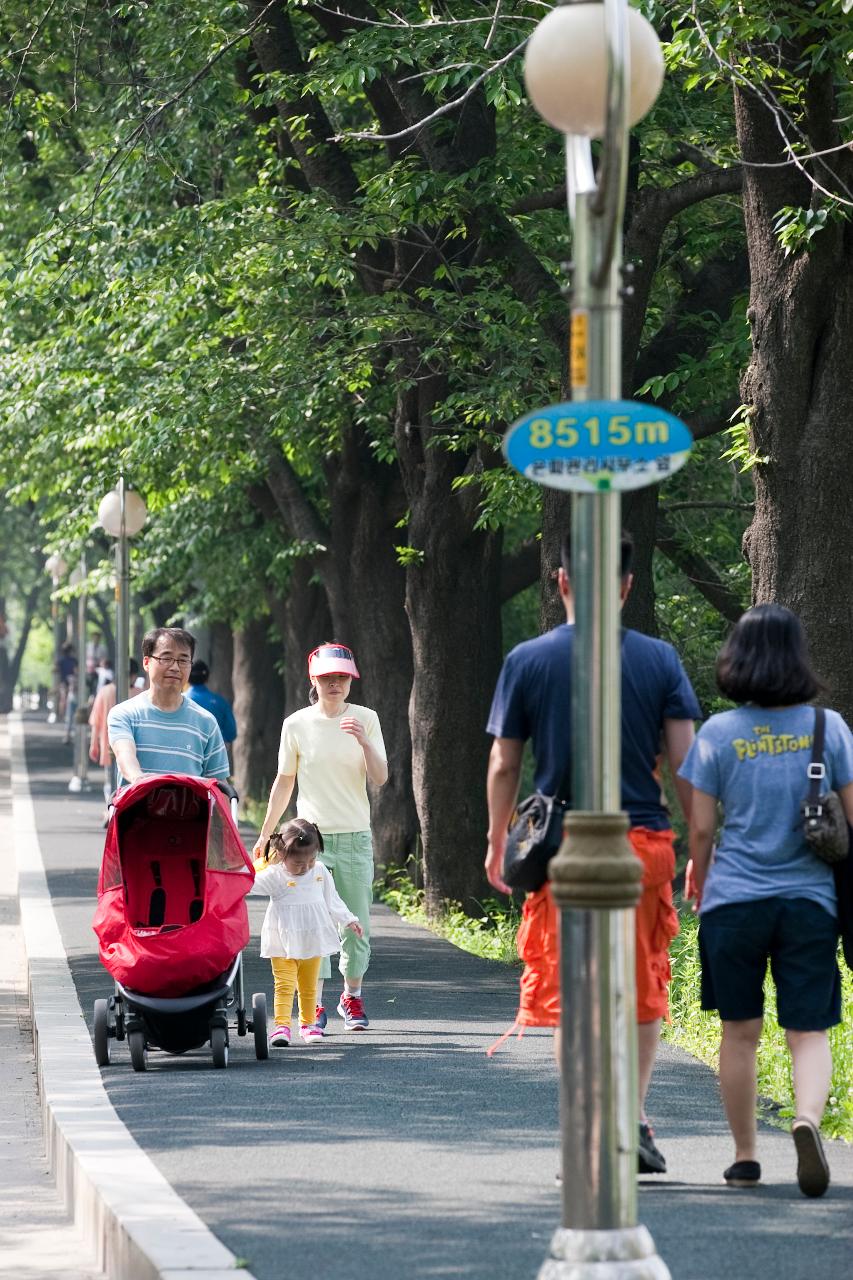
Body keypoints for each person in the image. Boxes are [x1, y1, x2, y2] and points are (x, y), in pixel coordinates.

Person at [485, 533, 699, 1175]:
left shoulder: (527, 659)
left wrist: (498, 840)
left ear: (561, 582)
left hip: (565, 850)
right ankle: (631, 1119)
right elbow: (687, 763)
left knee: (573, 995)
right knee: (640, 987)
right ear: (628, 587)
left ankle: (585, 1129)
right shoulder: (660, 660)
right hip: (642, 850)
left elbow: (504, 763)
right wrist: (702, 845)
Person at [678, 604, 853, 1196]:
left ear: (738, 658)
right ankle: (805, 1119)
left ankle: (747, 1156)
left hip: (734, 903)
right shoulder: (829, 729)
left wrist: (701, 880)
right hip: (808, 903)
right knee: (808, 1030)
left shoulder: (718, 734)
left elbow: (701, 830)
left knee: (740, 1030)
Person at [253, 642, 388, 1033]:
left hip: (355, 837)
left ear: (351, 680)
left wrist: (363, 740)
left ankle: (352, 995)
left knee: (355, 922)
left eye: (342, 677)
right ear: (313, 679)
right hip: (308, 843)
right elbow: (284, 780)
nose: (335, 683)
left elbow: (380, 777)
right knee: (314, 920)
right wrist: (267, 834)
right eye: (327, 677)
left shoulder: (367, 718)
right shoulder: (296, 724)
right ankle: (315, 1006)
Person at [252, 819, 364, 1047]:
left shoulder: (320, 871)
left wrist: (349, 919)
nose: (306, 867)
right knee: (283, 985)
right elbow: (248, 883)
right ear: (282, 855)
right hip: (283, 940)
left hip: (312, 940)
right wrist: (255, 865)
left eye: (311, 860)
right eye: (299, 863)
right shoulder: (275, 875)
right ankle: (282, 1026)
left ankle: (308, 1024)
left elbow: (333, 900)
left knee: (308, 986)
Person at [108, 627, 230, 788]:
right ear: (146, 662)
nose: (175, 667)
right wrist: (137, 778)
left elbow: (220, 786)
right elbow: (124, 754)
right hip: (135, 811)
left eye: (183, 660)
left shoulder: (206, 722)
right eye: (166, 658)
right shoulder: (124, 714)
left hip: (189, 813)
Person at [90, 659, 145, 819]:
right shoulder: (139, 694)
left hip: (108, 744)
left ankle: (110, 810)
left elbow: (96, 720)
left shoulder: (105, 691)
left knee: (110, 780)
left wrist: (94, 745)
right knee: (128, 779)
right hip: (135, 748)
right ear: (133, 675)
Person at [185, 660, 238, 771]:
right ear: (207, 677)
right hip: (215, 757)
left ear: (187, 677)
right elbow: (231, 732)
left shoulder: (179, 702)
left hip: (186, 756)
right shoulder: (220, 702)